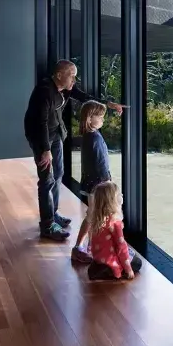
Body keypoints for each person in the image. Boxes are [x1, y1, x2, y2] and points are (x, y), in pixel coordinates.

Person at [23, 60, 124, 241]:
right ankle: (47, 225)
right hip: (40, 138)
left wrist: (108, 104)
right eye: (72, 75)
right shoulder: (44, 92)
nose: (74, 79)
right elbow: (41, 122)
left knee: (59, 173)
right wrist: (45, 150)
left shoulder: (67, 88)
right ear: (59, 75)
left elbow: (85, 96)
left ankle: (53, 214)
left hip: (55, 134)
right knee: (46, 179)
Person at [71, 101, 111, 263]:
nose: (103, 120)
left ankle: (90, 245)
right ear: (90, 118)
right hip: (97, 184)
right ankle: (80, 247)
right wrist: (107, 181)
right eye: (100, 117)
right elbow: (100, 162)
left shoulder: (89, 137)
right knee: (93, 216)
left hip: (91, 183)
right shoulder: (94, 138)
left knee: (93, 215)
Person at [86, 181, 142, 281]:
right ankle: (111, 269)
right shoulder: (115, 223)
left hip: (99, 257)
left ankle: (100, 266)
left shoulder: (97, 219)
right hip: (109, 259)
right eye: (119, 195)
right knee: (138, 262)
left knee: (130, 252)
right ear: (113, 201)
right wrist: (128, 270)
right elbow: (121, 247)